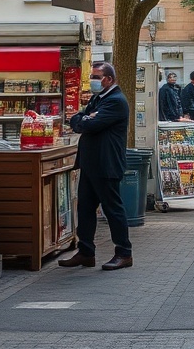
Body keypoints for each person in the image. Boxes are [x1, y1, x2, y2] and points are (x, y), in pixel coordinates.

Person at [59, 62, 132, 271]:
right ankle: (86, 252)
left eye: (96, 77)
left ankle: (124, 253)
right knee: (85, 209)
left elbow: (90, 124)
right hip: (91, 164)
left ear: (108, 79)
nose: (93, 80)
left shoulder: (116, 101)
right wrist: (85, 118)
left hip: (106, 164)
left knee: (113, 210)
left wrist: (87, 119)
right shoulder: (98, 99)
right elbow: (77, 119)